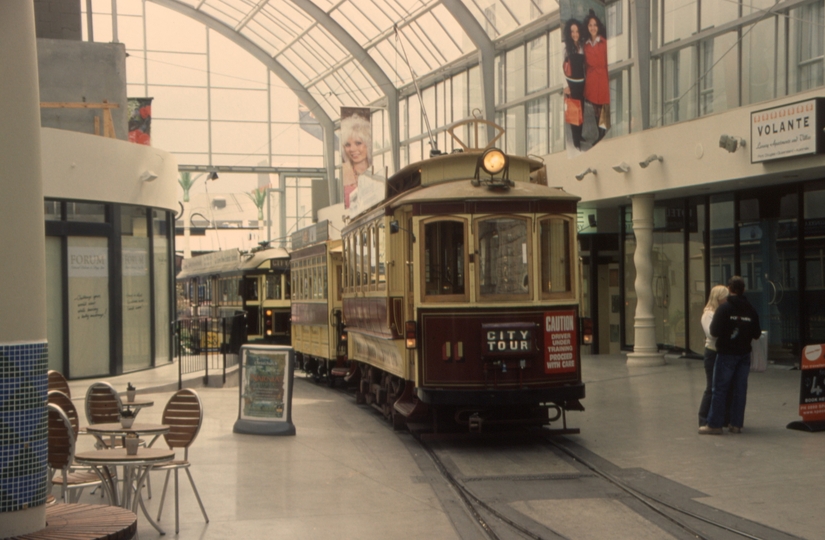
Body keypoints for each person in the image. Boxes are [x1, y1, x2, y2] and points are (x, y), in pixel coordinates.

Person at [700, 276, 762, 435]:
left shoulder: (724, 308)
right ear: (744, 290)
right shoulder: (751, 309)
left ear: (730, 289)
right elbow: (756, 334)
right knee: (740, 389)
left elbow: (713, 331)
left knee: (719, 389)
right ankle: (736, 424)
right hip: (744, 355)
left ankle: (714, 424)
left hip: (726, 353)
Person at [698, 285, 730, 427]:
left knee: (722, 386)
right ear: (718, 298)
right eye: (725, 297)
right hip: (712, 351)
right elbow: (712, 333)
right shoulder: (708, 314)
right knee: (711, 386)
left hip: (722, 351)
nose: (727, 299)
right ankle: (703, 417)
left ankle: (720, 417)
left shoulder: (722, 312)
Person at [582, 9, 609, 144]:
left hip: (602, 77)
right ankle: (600, 133)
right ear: (587, 27)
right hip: (592, 79)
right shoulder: (585, 45)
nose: (593, 28)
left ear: (598, 27)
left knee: (603, 107)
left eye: (595, 25)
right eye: (590, 25)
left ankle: (604, 133)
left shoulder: (604, 42)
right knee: (595, 109)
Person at [562, 19, 586, 150]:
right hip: (571, 85)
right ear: (569, 33)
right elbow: (562, 68)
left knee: (581, 110)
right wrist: (564, 85)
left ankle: (580, 135)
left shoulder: (582, 47)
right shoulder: (566, 48)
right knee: (573, 112)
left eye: (577, 31)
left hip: (581, 83)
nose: (575, 34)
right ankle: (576, 141)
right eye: (572, 31)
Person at [340, 114, 371, 209]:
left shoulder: (377, 171)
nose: (352, 149)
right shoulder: (345, 172)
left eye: (358, 143)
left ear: (368, 144)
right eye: (347, 145)